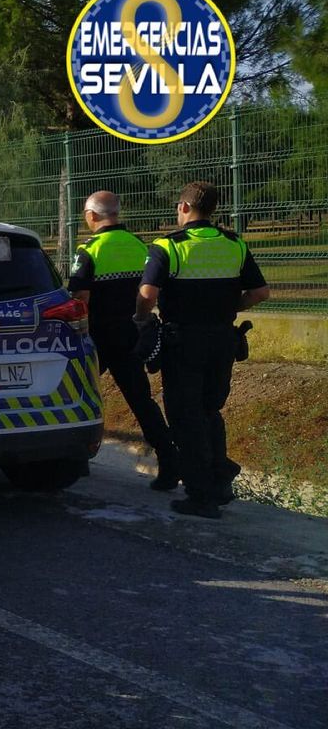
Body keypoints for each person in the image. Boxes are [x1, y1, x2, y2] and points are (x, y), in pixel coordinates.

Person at [136, 181, 270, 519]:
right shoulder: (234, 244)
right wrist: (229, 308)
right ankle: (220, 479)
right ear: (212, 210)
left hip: (184, 343)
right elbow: (260, 293)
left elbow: (148, 294)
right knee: (210, 411)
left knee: (185, 417)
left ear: (183, 208)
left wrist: (141, 319)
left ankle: (202, 495)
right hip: (223, 340)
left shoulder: (169, 246)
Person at [68, 190, 178, 489]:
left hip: (97, 338)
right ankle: (169, 461)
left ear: (92, 216)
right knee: (141, 401)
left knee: (79, 395)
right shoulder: (137, 244)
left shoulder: (89, 250)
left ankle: (73, 459)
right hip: (131, 334)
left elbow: (80, 297)